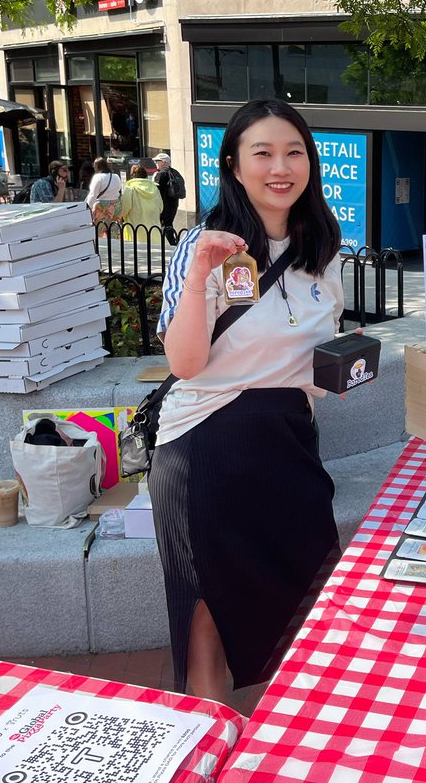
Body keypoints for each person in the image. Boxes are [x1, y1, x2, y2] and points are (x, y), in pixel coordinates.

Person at [150, 99, 344, 703]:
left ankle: (287, 738)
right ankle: (211, 748)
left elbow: (316, 347)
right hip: (207, 448)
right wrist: (196, 275)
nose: (280, 168)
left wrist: (344, 363)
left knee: (309, 593)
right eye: (262, 153)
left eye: (294, 152)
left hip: (288, 444)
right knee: (209, 619)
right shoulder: (205, 247)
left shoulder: (323, 250)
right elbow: (184, 364)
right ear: (233, 165)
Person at [119, 162, 163, 235]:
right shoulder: (154, 188)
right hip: (153, 227)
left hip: (135, 226)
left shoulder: (130, 188)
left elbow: (125, 207)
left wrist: (120, 216)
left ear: (133, 175)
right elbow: (161, 207)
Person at [153, 152, 186, 246]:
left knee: (164, 224)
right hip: (174, 203)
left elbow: (157, 190)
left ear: (163, 162)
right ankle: (172, 242)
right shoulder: (175, 172)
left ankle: (169, 243)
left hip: (164, 203)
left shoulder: (161, 174)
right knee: (169, 223)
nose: (156, 163)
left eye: (157, 161)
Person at [85, 157, 125, 227]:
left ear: (96, 167)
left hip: (102, 207)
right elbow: (119, 189)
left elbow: (92, 195)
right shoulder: (116, 176)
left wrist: (87, 208)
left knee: (101, 231)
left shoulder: (98, 177)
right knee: (115, 230)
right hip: (116, 206)